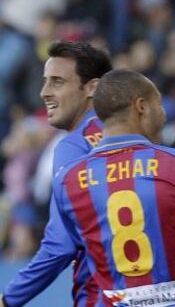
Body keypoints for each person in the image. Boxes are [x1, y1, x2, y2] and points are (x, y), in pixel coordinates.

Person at [50, 69, 175, 306]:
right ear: (142, 107)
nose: (164, 115)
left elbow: (69, 258)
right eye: (160, 104)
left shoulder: (68, 181)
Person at [1, 41, 112, 306]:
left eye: (57, 82)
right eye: (45, 81)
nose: (44, 92)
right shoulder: (142, 141)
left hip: (101, 296)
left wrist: (8, 299)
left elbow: (59, 246)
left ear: (92, 88)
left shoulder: (73, 147)